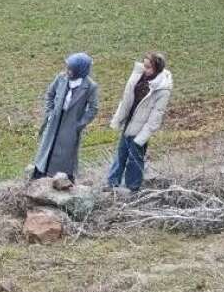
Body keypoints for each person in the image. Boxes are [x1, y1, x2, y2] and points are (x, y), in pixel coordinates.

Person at [107, 53, 174, 192]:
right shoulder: (138, 76)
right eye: (144, 65)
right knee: (120, 155)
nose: (145, 69)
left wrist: (141, 138)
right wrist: (118, 118)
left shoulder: (162, 89)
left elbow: (156, 117)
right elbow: (126, 99)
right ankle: (111, 185)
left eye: (148, 67)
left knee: (135, 160)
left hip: (141, 129)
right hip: (129, 123)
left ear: (157, 69)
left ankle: (132, 189)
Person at [32, 53, 99, 181]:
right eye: (67, 67)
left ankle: (59, 179)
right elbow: (50, 94)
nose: (67, 71)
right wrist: (50, 112)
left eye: (71, 69)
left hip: (70, 124)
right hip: (55, 120)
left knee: (65, 154)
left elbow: (93, 108)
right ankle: (40, 175)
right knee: (47, 148)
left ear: (80, 70)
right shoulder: (61, 78)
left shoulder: (90, 86)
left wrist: (78, 125)